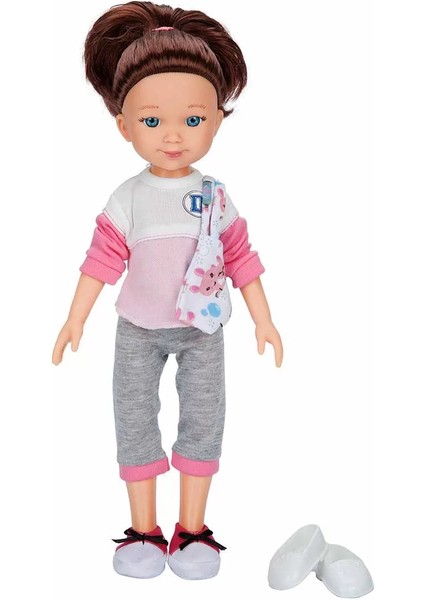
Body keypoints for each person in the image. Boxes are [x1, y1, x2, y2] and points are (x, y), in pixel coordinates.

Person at [52, 0, 283, 581]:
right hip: (137, 328)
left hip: (203, 328)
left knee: (205, 419)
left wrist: (264, 319)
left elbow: (241, 258)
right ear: (125, 126)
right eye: (153, 122)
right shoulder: (127, 198)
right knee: (134, 418)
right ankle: (144, 530)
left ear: (217, 121)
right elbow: (101, 259)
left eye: (194, 119)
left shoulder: (217, 197)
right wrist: (75, 317)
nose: (174, 135)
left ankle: (193, 529)